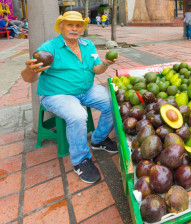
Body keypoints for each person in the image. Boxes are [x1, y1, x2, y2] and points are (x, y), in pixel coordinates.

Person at [21, 11, 118, 184]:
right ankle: (80, 160)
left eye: (78, 25)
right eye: (70, 24)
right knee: (78, 115)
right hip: (58, 94)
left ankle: (99, 139)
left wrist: (104, 64)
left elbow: (96, 69)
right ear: (61, 26)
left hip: (85, 90)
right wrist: (30, 69)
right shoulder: (49, 47)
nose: (74, 28)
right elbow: (29, 78)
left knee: (113, 101)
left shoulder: (88, 45)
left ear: (82, 28)